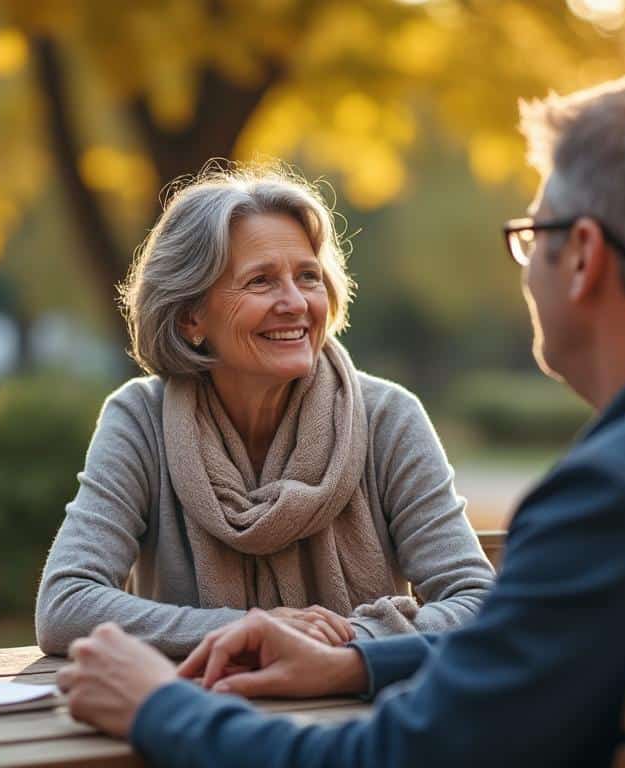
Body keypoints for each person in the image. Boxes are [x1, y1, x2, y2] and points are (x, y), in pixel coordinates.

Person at [56, 76, 625, 766]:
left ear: (582, 257)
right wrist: (361, 661)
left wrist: (160, 707)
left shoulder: (619, 499)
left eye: (532, 233)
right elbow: (526, 652)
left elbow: (394, 757)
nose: (525, 265)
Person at [34, 165, 496, 658]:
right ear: (190, 316)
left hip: (362, 701)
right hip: (195, 700)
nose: (295, 303)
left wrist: (352, 648)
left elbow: (479, 601)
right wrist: (247, 630)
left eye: (308, 277)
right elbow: (65, 604)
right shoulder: (140, 420)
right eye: (261, 281)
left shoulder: (388, 418)